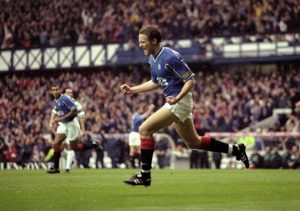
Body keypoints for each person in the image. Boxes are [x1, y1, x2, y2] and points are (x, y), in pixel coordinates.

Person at [120, 25, 249, 187]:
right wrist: (133, 89)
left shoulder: (170, 57)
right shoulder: (152, 58)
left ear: (154, 41)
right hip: (175, 102)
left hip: (179, 101)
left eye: (143, 42)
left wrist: (178, 97)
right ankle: (236, 150)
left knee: (144, 129)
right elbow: (155, 82)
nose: (140, 45)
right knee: (193, 142)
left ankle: (145, 176)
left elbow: (191, 80)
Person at [47, 83, 102, 173]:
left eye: (57, 89)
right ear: (51, 91)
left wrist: (61, 118)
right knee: (56, 144)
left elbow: (75, 111)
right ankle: (56, 168)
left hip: (72, 124)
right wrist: (52, 121)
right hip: (63, 125)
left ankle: (94, 145)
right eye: (53, 90)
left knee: (73, 147)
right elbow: (56, 111)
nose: (55, 91)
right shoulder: (56, 100)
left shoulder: (66, 99)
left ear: (60, 90)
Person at [129, 104, 155, 168]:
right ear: (137, 109)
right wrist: (149, 110)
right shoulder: (136, 116)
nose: (142, 110)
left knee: (132, 150)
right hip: (136, 134)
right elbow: (144, 116)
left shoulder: (133, 116)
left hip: (132, 134)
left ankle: (133, 165)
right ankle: (142, 164)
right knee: (140, 149)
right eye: (140, 109)